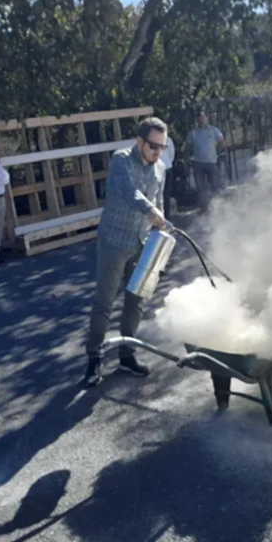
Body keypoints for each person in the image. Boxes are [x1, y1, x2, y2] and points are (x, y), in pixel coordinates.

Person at [83, 117, 168, 387]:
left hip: (140, 244)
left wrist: (160, 232)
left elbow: (159, 201)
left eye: (162, 147)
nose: (157, 152)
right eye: (153, 146)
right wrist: (151, 210)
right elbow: (129, 192)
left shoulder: (160, 169)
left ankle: (127, 355)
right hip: (113, 242)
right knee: (104, 303)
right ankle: (94, 360)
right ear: (139, 141)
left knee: (136, 302)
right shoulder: (121, 160)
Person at [186, 109, 225, 212]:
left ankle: (219, 208)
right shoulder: (193, 133)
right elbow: (188, 146)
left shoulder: (213, 130)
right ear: (197, 120)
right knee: (201, 188)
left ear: (207, 118)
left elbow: (221, 141)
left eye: (203, 117)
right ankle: (204, 209)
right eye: (199, 118)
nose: (201, 120)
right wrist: (191, 154)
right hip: (198, 163)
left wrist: (218, 151)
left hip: (212, 162)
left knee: (215, 186)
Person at [159, 136, 176, 216]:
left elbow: (172, 154)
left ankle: (166, 216)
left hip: (166, 168)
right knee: (160, 194)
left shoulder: (168, 140)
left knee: (166, 195)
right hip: (160, 169)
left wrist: (168, 163)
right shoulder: (151, 140)